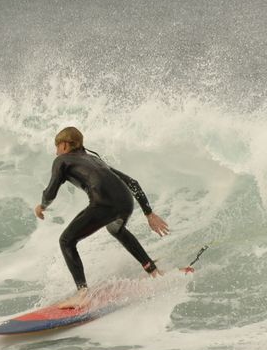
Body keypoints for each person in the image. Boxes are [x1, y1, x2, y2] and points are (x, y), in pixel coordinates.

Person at [34, 126, 169, 306]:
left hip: (103, 204)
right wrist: (148, 213)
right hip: (125, 202)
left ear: (65, 145)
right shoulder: (94, 159)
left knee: (66, 241)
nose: (56, 151)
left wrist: (41, 206)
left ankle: (82, 293)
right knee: (117, 230)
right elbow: (132, 182)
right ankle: (152, 270)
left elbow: (51, 192)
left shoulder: (62, 160)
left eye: (57, 146)